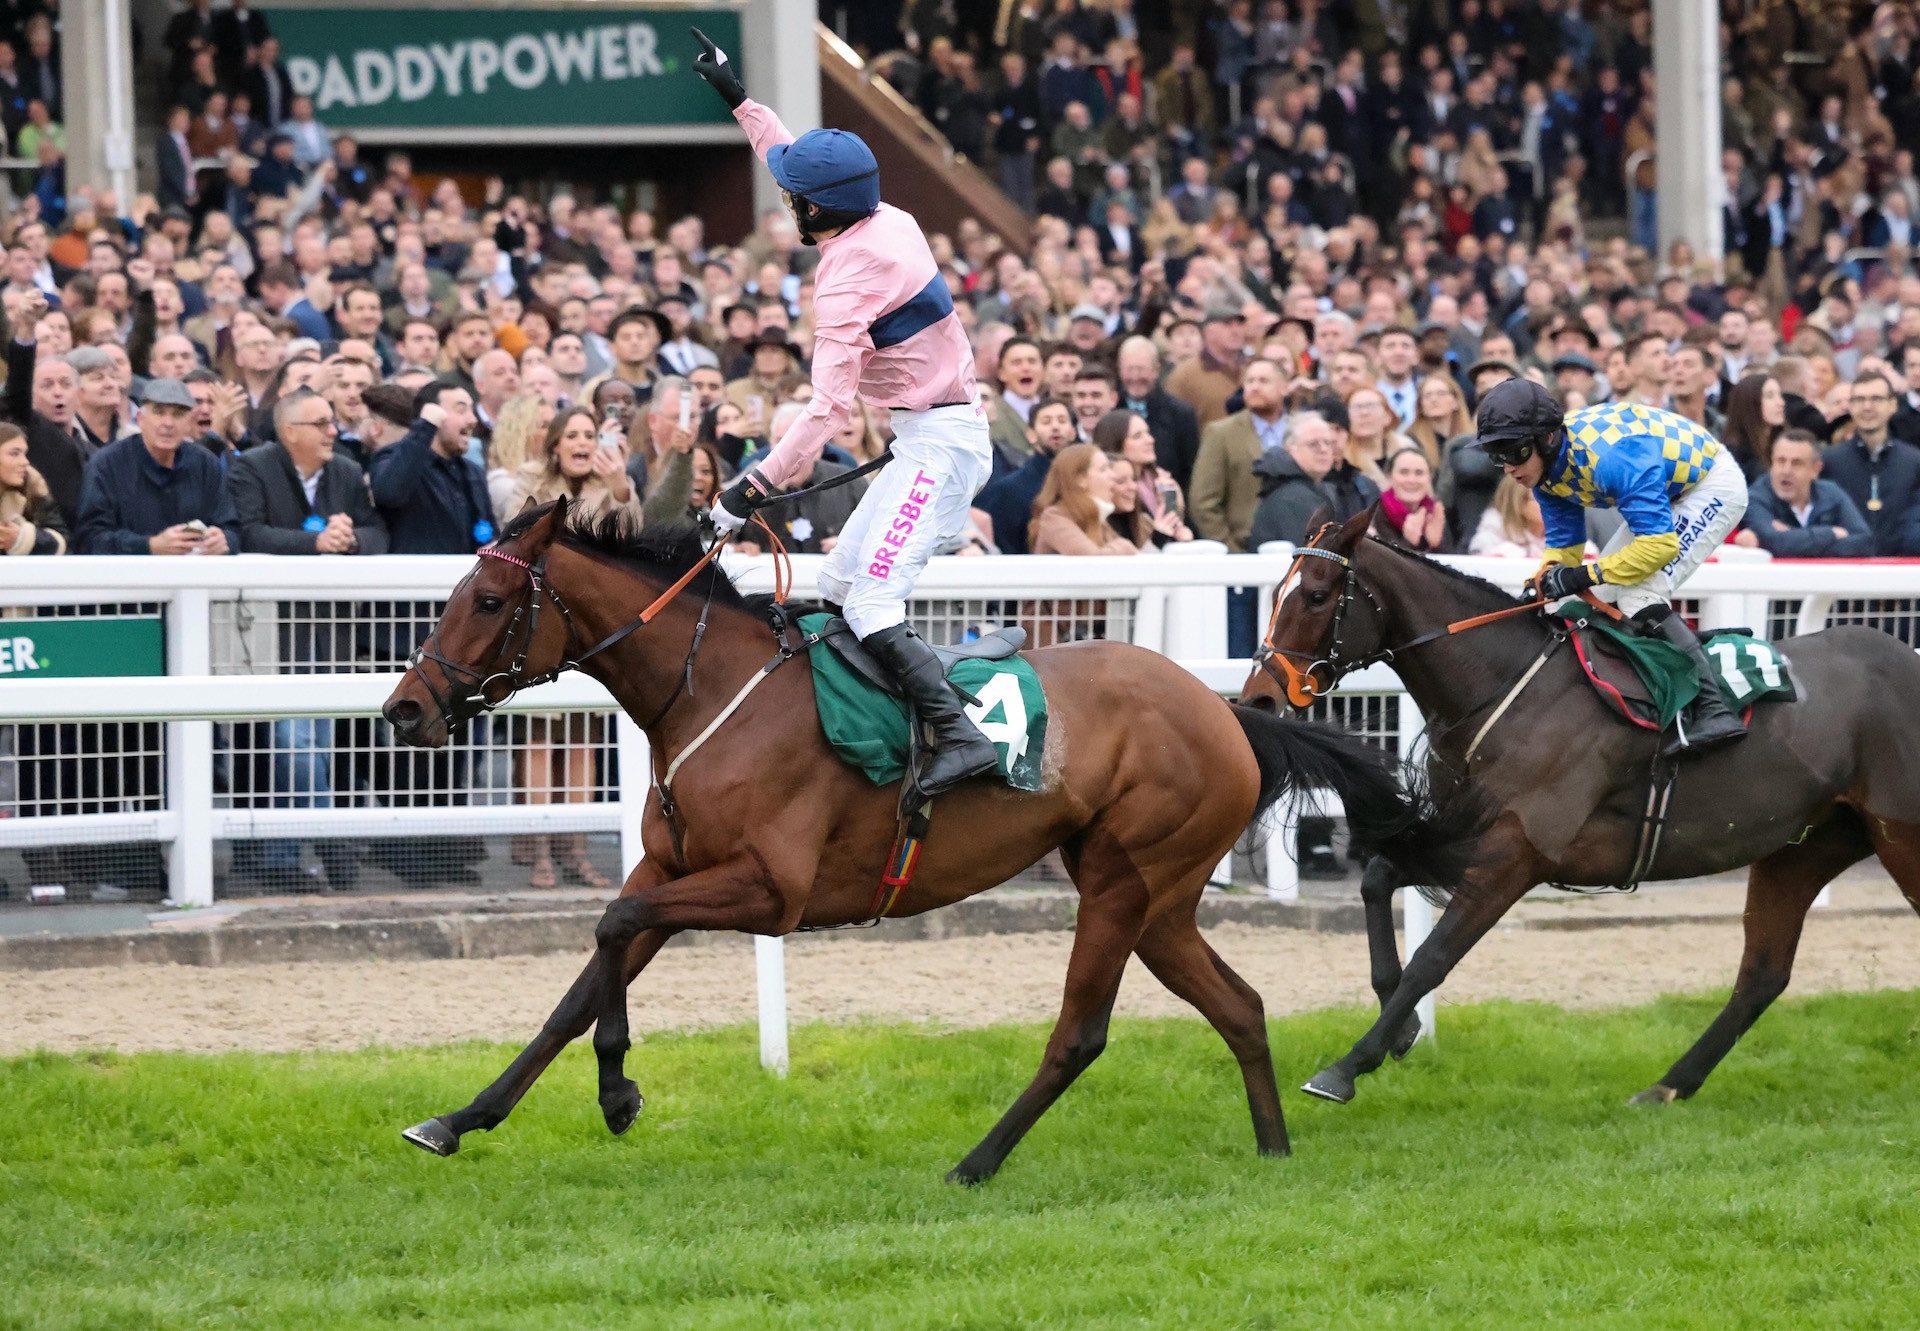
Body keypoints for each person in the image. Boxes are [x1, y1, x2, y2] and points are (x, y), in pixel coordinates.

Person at [693, 26, 999, 798]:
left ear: (818, 211)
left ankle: (960, 736)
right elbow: (805, 165)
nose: (788, 200)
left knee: (867, 597)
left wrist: (748, 490)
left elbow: (827, 411)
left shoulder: (846, 280)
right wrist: (741, 99)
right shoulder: (881, 214)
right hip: (930, 433)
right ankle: (863, 729)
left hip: (939, 447)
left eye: (797, 199)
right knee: (833, 582)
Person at [1473, 379, 1749, 755]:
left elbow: (1658, 546)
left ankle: (1715, 710)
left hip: (1709, 485)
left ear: (1548, 439)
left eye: (1515, 453)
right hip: (1665, 490)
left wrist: (1582, 575)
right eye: (1497, 455)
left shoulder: (1612, 458)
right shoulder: (1545, 472)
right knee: (1595, 600)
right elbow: (1564, 547)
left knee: (1640, 592)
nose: (1508, 468)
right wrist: (1540, 584)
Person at [73, 378, 237, 555]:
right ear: (140, 419)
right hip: (128, 577)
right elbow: (89, 540)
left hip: (193, 576)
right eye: (159, 412)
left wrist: (223, 540)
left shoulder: (206, 464)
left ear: (189, 422)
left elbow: (232, 528)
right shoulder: (106, 465)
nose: (168, 423)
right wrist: (150, 545)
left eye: (178, 414)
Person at [367, 380, 491, 554]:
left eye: (472, 410)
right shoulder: (393, 458)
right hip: (415, 578)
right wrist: (424, 427)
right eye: (461, 410)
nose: (472, 420)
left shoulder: (473, 472)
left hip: (464, 578)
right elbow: (389, 493)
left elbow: (486, 532)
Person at [1248, 407, 1380, 550]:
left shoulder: (1317, 488)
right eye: (1313, 444)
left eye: (1328, 443)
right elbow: (1318, 556)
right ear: (1290, 448)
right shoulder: (1292, 496)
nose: (1323, 449)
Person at [1820, 371, 1920, 556]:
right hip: (1847, 570)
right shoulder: (1829, 461)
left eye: (1876, 399)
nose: (1867, 407)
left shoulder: (1913, 462)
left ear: (1892, 405)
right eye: (1859, 399)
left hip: (1901, 571)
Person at [1733, 429, 1871, 558]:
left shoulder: (1831, 493)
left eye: (1796, 463)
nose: (1786, 470)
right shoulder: (1755, 498)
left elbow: (1864, 542)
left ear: (1816, 469)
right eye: (1781, 461)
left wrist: (1791, 537)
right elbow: (1773, 542)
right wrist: (1830, 533)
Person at [1090, 408, 1190, 544]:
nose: (1150, 440)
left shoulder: (1161, 480)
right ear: (1115, 443)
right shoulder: (1109, 490)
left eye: (1148, 433)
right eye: (1137, 436)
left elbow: (1172, 531)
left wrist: (1174, 506)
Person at [1029, 443, 1137, 555]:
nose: (1113, 476)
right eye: (1103, 469)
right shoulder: (1054, 516)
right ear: (1081, 480)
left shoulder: (1097, 518)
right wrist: (1124, 547)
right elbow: (1091, 562)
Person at [0, 420, 66, 553]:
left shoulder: (34, 490)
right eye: (14, 454)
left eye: (24, 454)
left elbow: (62, 542)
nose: (25, 462)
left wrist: (22, 539)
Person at [1374, 447, 1451, 553]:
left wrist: (1436, 545)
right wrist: (1408, 542)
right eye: (1404, 472)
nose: (1411, 480)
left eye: (1419, 473)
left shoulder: (1434, 513)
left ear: (1430, 478)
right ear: (1389, 477)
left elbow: (1452, 562)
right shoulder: (1375, 514)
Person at [1721, 372, 1785, 482]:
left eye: (1780, 395)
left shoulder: (1784, 444)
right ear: (1749, 403)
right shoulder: (1733, 454)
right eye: (1770, 396)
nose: (1781, 402)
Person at [1468, 476, 1548, 558]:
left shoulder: (1559, 527)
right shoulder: (1495, 528)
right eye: (1539, 498)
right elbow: (1477, 559)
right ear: (1518, 503)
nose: (1549, 503)